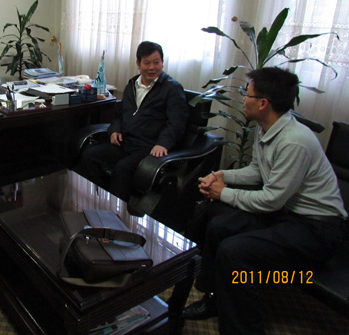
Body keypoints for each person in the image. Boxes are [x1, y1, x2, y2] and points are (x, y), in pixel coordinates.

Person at [183, 67, 347, 334]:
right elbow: (258, 171)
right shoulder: (267, 128)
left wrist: (223, 192)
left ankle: (245, 329)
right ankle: (214, 298)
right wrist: (222, 175)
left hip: (318, 229)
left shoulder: (294, 141)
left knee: (234, 252)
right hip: (289, 214)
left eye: (247, 94)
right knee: (219, 225)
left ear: (263, 103)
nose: (243, 98)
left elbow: (272, 200)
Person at [80, 41, 188, 203]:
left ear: (162, 63)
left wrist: (163, 144)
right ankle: (98, 199)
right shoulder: (132, 84)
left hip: (149, 147)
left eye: (156, 62)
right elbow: (120, 114)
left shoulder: (172, 88)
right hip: (125, 142)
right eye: (147, 63)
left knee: (123, 168)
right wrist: (115, 130)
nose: (152, 67)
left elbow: (176, 122)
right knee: (89, 156)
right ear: (138, 64)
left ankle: (116, 211)